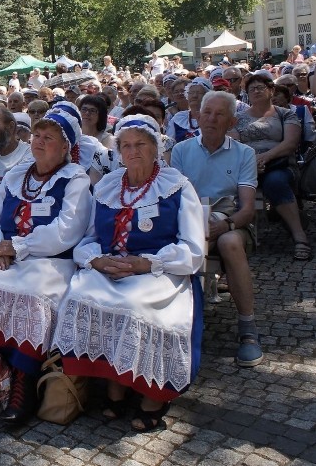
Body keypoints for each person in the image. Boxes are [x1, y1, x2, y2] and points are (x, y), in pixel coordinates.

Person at [53, 115, 204, 432]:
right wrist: (97, 262)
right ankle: (114, 383)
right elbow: (88, 239)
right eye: (126, 146)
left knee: (136, 307)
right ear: (118, 151)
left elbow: (192, 249)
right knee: (80, 296)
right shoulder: (108, 185)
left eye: (141, 145)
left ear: (156, 148)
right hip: (110, 266)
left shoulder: (177, 186)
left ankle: (153, 394)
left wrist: (145, 263)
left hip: (160, 271)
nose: (132, 151)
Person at [0, 110, 92, 423]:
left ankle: (23, 380)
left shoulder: (75, 179)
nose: (39, 143)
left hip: (51, 262)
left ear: (65, 147)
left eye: (49, 139)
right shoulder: (17, 176)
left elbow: (67, 230)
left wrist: (16, 246)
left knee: (34, 298)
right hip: (7, 256)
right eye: (37, 136)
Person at [171, 92, 263, 367]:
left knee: (230, 243)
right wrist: (196, 224)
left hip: (230, 223)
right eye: (206, 112)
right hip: (189, 223)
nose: (210, 118)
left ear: (232, 120)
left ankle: (248, 329)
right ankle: (174, 325)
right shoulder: (181, 150)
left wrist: (223, 224)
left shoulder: (244, 154)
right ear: (197, 115)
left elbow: (247, 209)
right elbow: (173, 199)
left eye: (219, 114)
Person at [230, 73, 310, 260]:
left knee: (275, 182)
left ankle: (299, 236)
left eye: (260, 87)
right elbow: (233, 144)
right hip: (246, 167)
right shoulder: (237, 118)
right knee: (232, 184)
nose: (256, 91)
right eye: (252, 89)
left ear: (271, 90)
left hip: (279, 165)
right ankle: (236, 236)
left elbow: (290, 144)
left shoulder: (285, 114)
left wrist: (264, 157)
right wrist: (250, 165)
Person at [167, 78, 210, 144]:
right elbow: (169, 144)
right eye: (191, 92)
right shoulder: (179, 118)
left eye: (199, 93)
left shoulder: (213, 118)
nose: (194, 96)